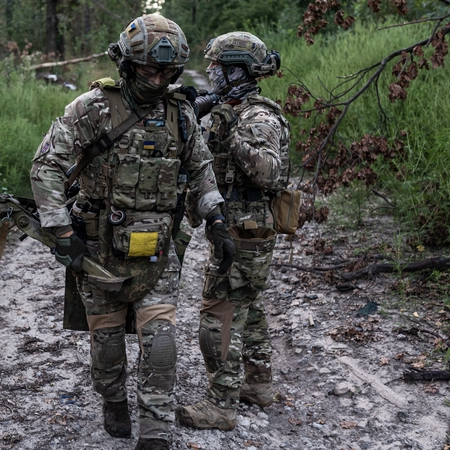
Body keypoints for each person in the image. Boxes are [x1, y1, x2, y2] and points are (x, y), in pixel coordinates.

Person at [31, 13, 233, 450]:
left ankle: (156, 430)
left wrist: (216, 218)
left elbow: (201, 170)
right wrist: (61, 232)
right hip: (98, 250)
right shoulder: (91, 108)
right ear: (126, 64)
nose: (157, 80)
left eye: (166, 72)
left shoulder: (180, 114)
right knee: (106, 346)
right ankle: (112, 399)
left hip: (157, 250)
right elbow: (46, 166)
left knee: (160, 345)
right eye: (148, 70)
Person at [175, 31, 290, 431]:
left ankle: (220, 404)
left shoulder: (257, 116)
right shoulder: (233, 108)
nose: (210, 71)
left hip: (246, 229)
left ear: (238, 70)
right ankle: (257, 385)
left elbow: (269, 172)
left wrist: (229, 133)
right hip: (240, 227)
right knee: (248, 305)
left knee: (219, 313)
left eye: (217, 66)